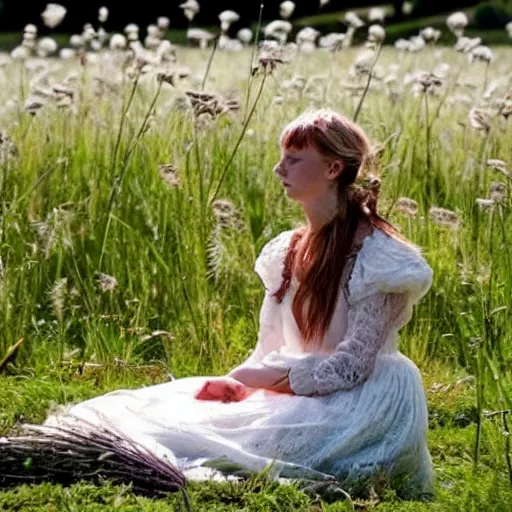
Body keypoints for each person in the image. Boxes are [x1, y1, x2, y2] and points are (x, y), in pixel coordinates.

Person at [44, 109, 434, 498]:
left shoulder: (381, 258)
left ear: (333, 168)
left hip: (364, 400)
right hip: (301, 386)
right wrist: (237, 382)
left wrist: (259, 380)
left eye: (294, 159)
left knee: (235, 448)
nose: (279, 169)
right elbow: (272, 346)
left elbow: (351, 368)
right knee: (176, 417)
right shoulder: (288, 250)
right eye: (282, 157)